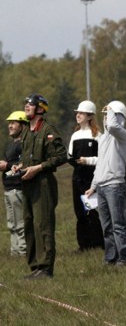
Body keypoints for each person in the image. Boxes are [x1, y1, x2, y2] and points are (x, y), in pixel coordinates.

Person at [19, 94, 67, 279]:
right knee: (29, 224)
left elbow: (61, 157)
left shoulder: (48, 130)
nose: (26, 106)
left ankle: (46, 269)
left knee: (43, 225)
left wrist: (38, 168)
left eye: (30, 104)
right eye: (26, 103)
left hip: (43, 184)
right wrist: (20, 166)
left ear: (40, 109)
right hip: (27, 183)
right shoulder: (26, 131)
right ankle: (35, 267)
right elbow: (26, 157)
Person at [85, 101, 126, 266]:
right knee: (106, 227)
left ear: (118, 117)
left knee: (118, 225)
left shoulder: (123, 135)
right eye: (104, 115)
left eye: (109, 115)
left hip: (115, 185)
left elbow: (113, 127)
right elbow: (100, 165)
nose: (106, 118)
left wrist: (112, 109)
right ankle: (110, 258)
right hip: (103, 187)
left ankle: (124, 258)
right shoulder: (103, 139)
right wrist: (93, 186)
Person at [67, 100, 104, 251]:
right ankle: (83, 245)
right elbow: (70, 156)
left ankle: (98, 243)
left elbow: (103, 159)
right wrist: (75, 162)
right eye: (78, 112)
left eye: (81, 113)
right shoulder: (75, 135)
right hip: (77, 178)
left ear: (89, 116)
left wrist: (87, 161)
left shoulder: (98, 136)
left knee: (91, 211)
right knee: (80, 212)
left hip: (91, 179)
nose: (78, 115)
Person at [1, 111, 29, 256]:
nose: (10, 126)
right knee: (11, 223)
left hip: (18, 188)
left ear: (23, 126)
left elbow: (24, 163)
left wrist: (6, 165)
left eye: (13, 123)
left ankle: (23, 251)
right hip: (8, 188)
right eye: (9, 123)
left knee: (19, 222)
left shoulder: (25, 144)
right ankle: (15, 251)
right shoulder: (11, 144)